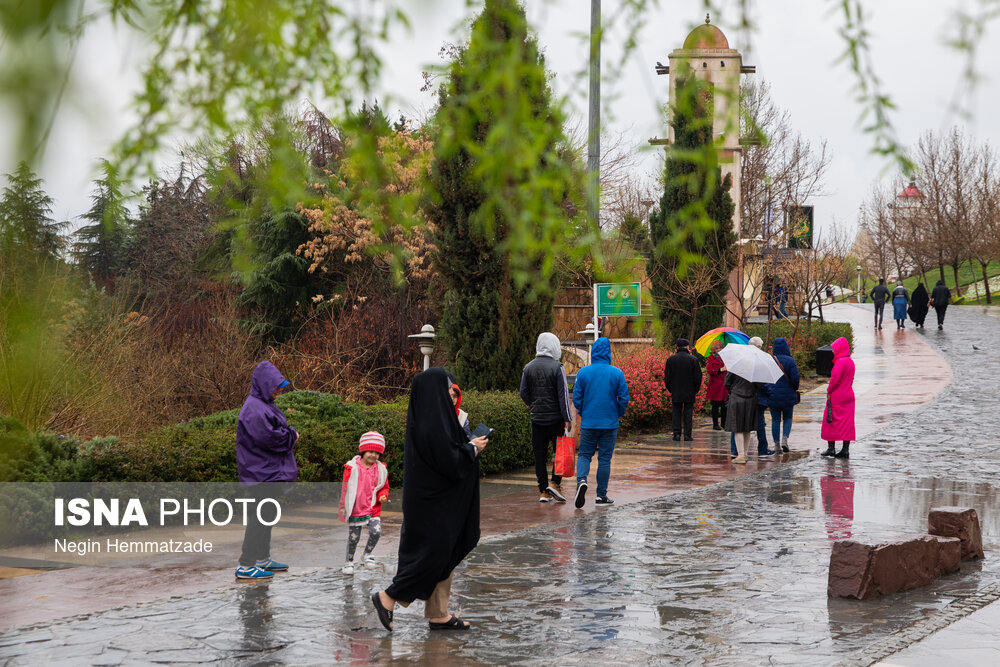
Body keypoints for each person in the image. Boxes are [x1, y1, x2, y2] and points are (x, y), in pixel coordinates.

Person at [372, 367, 489, 632]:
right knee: (431, 554)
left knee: (444, 553)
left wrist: (468, 447)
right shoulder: (431, 423)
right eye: (447, 386)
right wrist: (472, 448)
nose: (451, 391)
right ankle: (387, 598)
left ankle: (438, 613)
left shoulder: (435, 417)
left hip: (438, 503)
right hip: (432, 505)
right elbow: (448, 460)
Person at [235, 361, 298, 580]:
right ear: (264, 384)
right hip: (261, 473)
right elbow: (269, 437)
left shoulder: (263, 404)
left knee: (266, 516)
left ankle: (261, 558)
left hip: (267, 472)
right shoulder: (254, 408)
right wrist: (292, 436)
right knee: (259, 518)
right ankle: (246, 564)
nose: (278, 390)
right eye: (275, 385)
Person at [572, 337, 629, 508]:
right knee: (605, 459)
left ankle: (581, 481)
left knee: (584, 455)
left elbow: (577, 398)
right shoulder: (617, 373)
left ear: (593, 352)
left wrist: (583, 412)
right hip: (609, 423)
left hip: (589, 422)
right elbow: (624, 398)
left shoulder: (583, 373)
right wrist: (618, 413)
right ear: (608, 352)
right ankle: (601, 495)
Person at [519, 332, 572, 503]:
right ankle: (555, 483)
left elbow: (523, 393)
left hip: (537, 419)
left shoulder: (528, 368)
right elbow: (563, 396)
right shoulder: (558, 367)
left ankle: (543, 491)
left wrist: (534, 405)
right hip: (556, 419)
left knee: (539, 456)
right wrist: (568, 418)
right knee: (560, 453)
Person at [339, 431, 390, 574]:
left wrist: (383, 495)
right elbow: (345, 488)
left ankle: (367, 554)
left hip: (372, 507)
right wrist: (343, 506)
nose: (373, 455)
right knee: (354, 538)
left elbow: (383, 487)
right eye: (370, 451)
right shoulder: (352, 468)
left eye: (377, 453)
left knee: (376, 532)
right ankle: (349, 561)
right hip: (356, 508)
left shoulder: (381, 469)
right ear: (363, 451)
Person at [820, 337, 856, 459]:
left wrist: (828, 390)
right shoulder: (850, 362)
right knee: (847, 423)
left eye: (835, 349)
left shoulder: (840, 362)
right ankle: (845, 450)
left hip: (837, 396)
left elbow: (835, 380)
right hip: (849, 395)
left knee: (830, 420)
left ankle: (831, 448)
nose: (833, 352)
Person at [763, 337, 799, 453]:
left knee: (775, 420)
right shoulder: (790, 361)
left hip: (773, 395)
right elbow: (795, 378)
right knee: (788, 417)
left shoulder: (769, 360)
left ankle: (776, 445)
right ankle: (785, 439)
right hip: (788, 395)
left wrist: (768, 390)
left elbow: (765, 378)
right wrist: (794, 388)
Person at [663, 337, 702, 441]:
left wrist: (671, 389)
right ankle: (687, 435)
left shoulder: (671, 359)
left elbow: (667, 377)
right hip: (690, 390)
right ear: (687, 347)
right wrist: (695, 390)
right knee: (688, 413)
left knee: (676, 412)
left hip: (676, 390)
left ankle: (676, 434)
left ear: (677, 347)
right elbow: (698, 377)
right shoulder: (693, 360)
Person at [725, 367, 759, 465]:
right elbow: (759, 385)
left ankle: (740, 455)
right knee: (747, 427)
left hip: (736, 398)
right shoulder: (755, 369)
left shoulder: (735, 367)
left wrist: (733, 390)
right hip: (751, 399)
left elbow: (727, 382)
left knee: (737, 428)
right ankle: (745, 454)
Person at [748, 337, 774, 457]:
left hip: (744, 396)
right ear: (758, 347)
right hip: (758, 397)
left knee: (740, 424)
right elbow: (763, 381)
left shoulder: (743, 359)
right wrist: (769, 392)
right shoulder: (761, 360)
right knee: (760, 423)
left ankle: (735, 450)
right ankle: (762, 449)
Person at [705, 340, 728, 431]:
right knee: (715, 406)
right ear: (713, 350)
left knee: (724, 406)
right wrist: (721, 369)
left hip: (725, 385)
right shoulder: (711, 358)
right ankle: (715, 424)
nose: (718, 350)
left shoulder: (726, 357)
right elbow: (710, 370)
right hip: (715, 386)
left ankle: (724, 423)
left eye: (720, 347)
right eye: (716, 348)